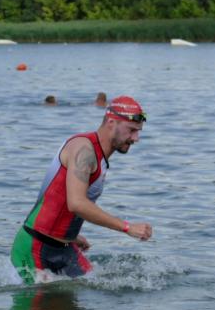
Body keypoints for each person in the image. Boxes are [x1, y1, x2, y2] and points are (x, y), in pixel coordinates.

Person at [10, 95, 153, 284]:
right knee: (44, 302)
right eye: (132, 130)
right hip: (34, 247)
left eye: (138, 131)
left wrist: (69, 234)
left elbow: (60, 198)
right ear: (111, 122)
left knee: (92, 289)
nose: (136, 138)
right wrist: (127, 227)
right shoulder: (84, 149)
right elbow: (76, 203)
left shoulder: (99, 157)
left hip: (65, 247)